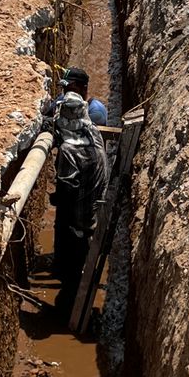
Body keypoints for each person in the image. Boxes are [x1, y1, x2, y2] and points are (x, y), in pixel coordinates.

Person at [50, 92, 109, 313]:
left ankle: (70, 310)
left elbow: (66, 190)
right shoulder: (93, 133)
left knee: (73, 274)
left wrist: (56, 198)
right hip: (97, 208)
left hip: (81, 223)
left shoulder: (68, 151)